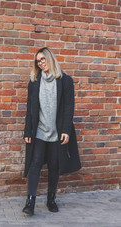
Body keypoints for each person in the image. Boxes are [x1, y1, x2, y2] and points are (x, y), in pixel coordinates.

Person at [22, 47, 81, 216]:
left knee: (54, 166)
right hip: (39, 131)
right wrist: (27, 131)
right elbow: (30, 109)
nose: (41, 63)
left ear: (50, 58)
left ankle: (51, 198)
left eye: (43, 59)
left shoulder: (65, 81)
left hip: (57, 132)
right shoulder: (34, 82)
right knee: (35, 164)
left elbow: (69, 108)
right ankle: (30, 201)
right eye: (38, 61)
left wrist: (65, 130)